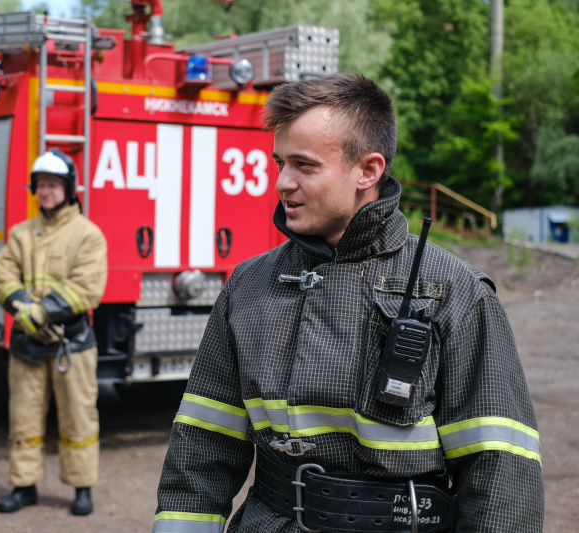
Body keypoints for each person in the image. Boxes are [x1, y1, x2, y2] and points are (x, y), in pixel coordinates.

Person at [153, 73, 544, 533]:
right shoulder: (249, 283)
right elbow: (203, 442)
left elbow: (500, 468)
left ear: (368, 171)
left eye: (304, 165)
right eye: (280, 162)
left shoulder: (454, 291)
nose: (282, 182)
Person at [0, 148, 108, 516]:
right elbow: (4, 277)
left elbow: (88, 287)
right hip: (28, 344)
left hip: (71, 345)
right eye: (41, 185)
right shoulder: (20, 233)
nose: (46, 192)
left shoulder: (88, 234)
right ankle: (23, 486)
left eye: (54, 185)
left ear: (68, 189)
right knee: (23, 416)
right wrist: (24, 310)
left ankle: (82, 488)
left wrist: (39, 312)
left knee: (79, 416)